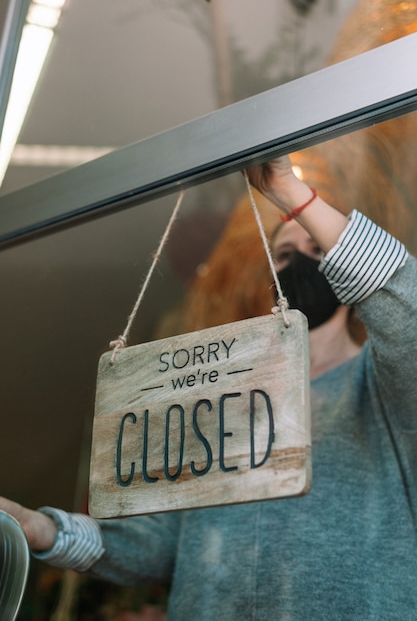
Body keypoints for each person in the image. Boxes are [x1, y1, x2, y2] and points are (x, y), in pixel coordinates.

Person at [1, 155, 417, 619]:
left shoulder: (386, 384)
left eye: (316, 249)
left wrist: (290, 194)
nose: (298, 259)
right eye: (282, 254)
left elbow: (408, 307)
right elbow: (164, 544)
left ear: (344, 265)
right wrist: (43, 531)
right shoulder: (223, 401)